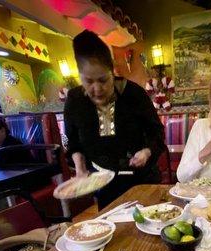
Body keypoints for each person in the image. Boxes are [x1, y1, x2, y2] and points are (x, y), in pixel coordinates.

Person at [64, 30, 165, 208]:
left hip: (141, 179)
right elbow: (74, 142)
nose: (96, 88)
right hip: (103, 183)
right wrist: (80, 170)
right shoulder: (75, 99)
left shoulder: (133, 93)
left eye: (103, 80)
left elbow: (156, 133)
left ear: (112, 71)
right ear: (80, 76)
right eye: (88, 81)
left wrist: (146, 152)